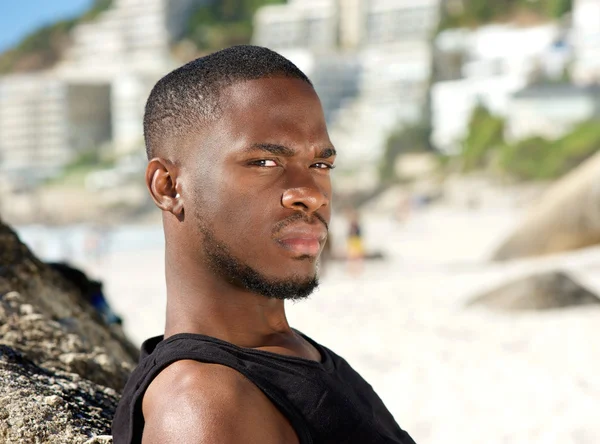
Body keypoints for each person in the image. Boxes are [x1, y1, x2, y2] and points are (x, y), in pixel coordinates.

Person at [112, 45, 416, 444]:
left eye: (320, 165)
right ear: (168, 186)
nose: (311, 193)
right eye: (264, 162)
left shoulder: (293, 354)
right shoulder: (203, 406)